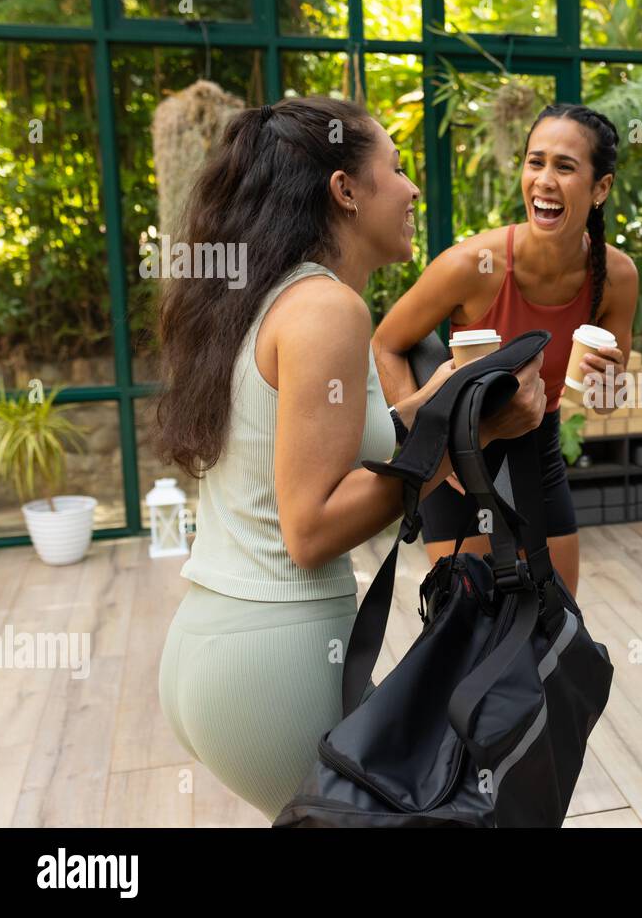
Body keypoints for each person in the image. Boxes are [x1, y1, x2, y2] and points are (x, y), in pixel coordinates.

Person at [154, 95, 545, 821]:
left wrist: (440, 404)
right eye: (395, 168)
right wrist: (475, 440)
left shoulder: (268, 297)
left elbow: (325, 443)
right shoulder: (330, 310)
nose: (412, 188)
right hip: (275, 663)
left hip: (214, 646)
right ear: (345, 190)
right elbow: (311, 528)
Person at [372, 104, 639, 597]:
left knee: (553, 624)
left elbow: (603, 400)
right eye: (535, 162)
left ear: (601, 188)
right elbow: (386, 343)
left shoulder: (617, 277)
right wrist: (425, 447)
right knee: (468, 634)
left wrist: (608, 387)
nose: (544, 180)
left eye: (565, 166)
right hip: (460, 450)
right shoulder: (472, 264)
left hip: (538, 449)